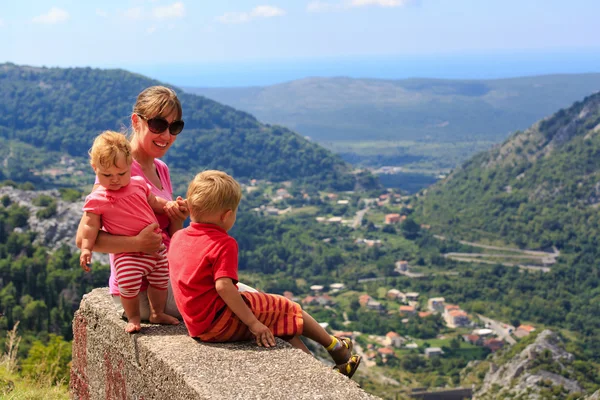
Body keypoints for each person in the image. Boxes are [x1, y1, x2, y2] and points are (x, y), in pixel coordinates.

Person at [75, 85, 254, 325]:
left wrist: (176, 218)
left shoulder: (161, 169)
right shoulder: (116, 173)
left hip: (167, 274)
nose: (167, 135)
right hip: (140, 291)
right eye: (158, 125)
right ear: (136, 121)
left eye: (175, 127)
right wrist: (136, 243)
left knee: (263, 303)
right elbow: (84, 239)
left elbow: (171, 238)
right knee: (256, 306)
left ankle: (322, 344)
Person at [168, 170, 361, 378]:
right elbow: (223, 286)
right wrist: (253, 323)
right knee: (285, 306)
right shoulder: (223, 243)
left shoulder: (178, 237)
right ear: (227, 215)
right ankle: (335, 347)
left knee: (279, 323)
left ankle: (323, 376)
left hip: (197, 325)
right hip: (219, 322)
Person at [79, 131, 181, 333]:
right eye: (107, 175)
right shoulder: (97, 198)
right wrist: (86, 248)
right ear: (95, 169)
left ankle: (157, 312)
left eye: (122, 174)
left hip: (157, 250)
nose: (115, 180)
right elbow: (89, 227)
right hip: (128, 256)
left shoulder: (139, 184)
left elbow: (155, 202)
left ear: (129, 166)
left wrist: (171, 207)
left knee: (160, 280)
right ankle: (133, 318)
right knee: (128, 286)